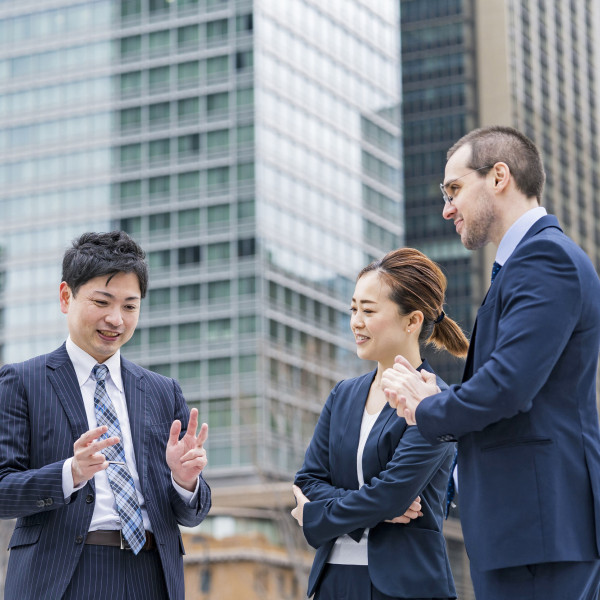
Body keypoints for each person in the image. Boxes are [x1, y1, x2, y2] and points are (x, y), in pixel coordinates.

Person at [382, 126, 600, 600]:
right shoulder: (525, 264)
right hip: (525, 533)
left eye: (455, 189)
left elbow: (508, 387)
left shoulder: (545, 259)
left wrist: (427, 408)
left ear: (499, 176)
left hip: (539, 537)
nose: (446, 208)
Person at [0, 231, 211, 600]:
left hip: (151, 574)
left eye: (130, 306)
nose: (116, 319)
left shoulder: (163, 391)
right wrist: (70, 473)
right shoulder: (22, 382)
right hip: (64, 575)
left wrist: (184, 482)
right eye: (102, 301)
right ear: (66, 297)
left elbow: (191, 514)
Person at [291, 247, 469, 600]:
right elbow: (308, 482)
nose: (356, 321)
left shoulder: (433, 402)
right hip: (333, 582)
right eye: (354, 309)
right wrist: (375, 508)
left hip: (406, 586)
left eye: (369, 311)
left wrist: (316, 514)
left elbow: (392, 493)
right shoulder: (343, 395)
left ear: (412, 320)